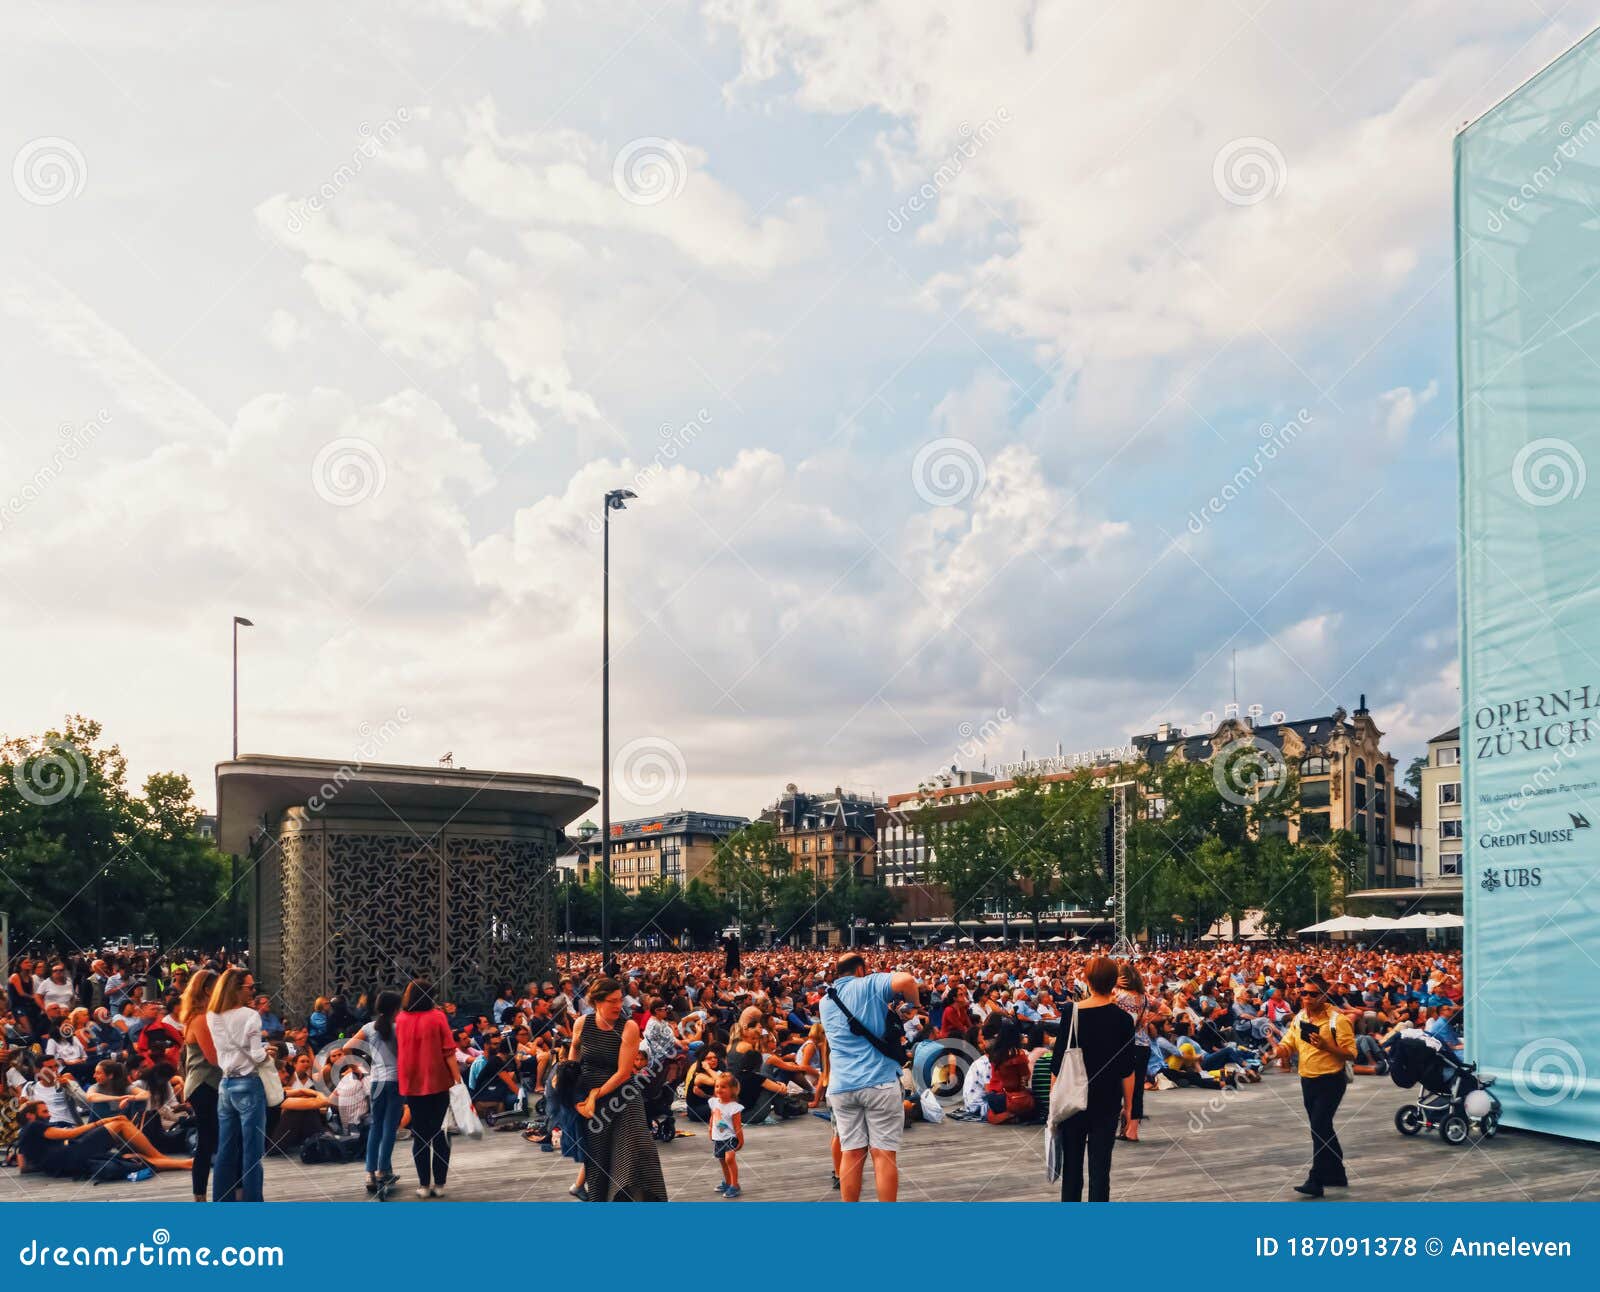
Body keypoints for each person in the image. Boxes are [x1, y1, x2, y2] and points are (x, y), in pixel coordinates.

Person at [818, 952, 919, 1203]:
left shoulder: (825, 1001)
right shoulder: (868, 983)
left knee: (851, 1153)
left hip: (842, 1086)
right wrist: (914, 1006)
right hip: (879, 1081)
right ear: (861, 969)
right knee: (883, 1155)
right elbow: (907, 980)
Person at [571, 976, 667, 1201]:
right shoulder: (581, 1023)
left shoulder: (629, 1026)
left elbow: (624, 1073)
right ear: (597, 1001)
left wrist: (596, 1094)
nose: (618, 1006)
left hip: (623, 1096)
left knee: (636, 1153)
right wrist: (573, 1086)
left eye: (620, 1000)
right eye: (612, 1001)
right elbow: (574, 1056)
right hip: (590, 1098)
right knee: (598, 1156)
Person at [1050, 955, 1136, 1203]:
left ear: (1086, 980)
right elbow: (1127, 1069)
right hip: (1107, 1100)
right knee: (1101, 1170)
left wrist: (1053, 1101)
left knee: (1072, 1170)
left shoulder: (1071, 1014)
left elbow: (1057, 1064)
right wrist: (1129, 1107)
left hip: (1073, 1099)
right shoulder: (1123, 1019)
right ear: (1115, 983)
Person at [1274, 975, 1356, 1198]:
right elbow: (1289, 1041)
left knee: (1319, 1127)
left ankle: (1316, 1180)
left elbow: (1351, 1053)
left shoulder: (1337, 1021)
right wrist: (1280, 1050)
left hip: (1331, 1080)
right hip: (1307, 1079)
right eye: (1304, 993)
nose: (1307, 998)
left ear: (1324, 995)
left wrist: (1329, 1046)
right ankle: (1338, 1174)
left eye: (1313, 994)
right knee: (1322, 1128)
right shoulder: (1299, 1017)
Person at [207, 967, 268, 1202]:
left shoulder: (213, 1015)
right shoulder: (250, 1015)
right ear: (236, 989)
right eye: (250, 987)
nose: (254, 991)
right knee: (252, 1151)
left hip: (226, 1084)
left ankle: (222, 1201)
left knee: (226, 1148)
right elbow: (257, 1055)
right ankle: (253, 1202)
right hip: (249, 1083)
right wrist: (271, 1054)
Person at [396, 978, 458, 1199]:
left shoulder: (401, 1019)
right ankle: (439, 1183)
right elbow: (449, 1051)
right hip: (438, 1081)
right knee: (440, 1132)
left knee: (420, 1135)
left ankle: (423, 1184)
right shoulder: (438, 1017)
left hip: (411, 1083)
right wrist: (458, 1079)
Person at [14, 1099, 191, 1175]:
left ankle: (185, 1164)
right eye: (44, 1112)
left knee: (130, 1158)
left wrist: (46, 1164)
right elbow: (70, 1133)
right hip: (72, 1154)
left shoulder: (23, 1136)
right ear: (30, 1116)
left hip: (68, 1163)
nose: (49, 1115)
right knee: (120, 1124)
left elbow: (23, 1167)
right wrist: (104, 1121)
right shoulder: (35, 1126)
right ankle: (160, 1156)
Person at [352, 988, 402, 1195]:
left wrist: (357, 1067)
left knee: (376, 1127)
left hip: (376, 1082)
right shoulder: (399, 1028)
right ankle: (383, 1171)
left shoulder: (368, 1027)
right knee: (390, 1128)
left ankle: (369, 1173)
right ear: (395, 1009)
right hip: (396, 1081)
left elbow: (347, 1046)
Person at [179, 967, 221, 1201]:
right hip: (204, 1085)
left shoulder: (199, 1017)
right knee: (207, 1141)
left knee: (208, 1140)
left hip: (204, 1085)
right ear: (207, 990)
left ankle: (201, 1195)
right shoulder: (202, 1019)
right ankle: (201, 1196)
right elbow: (213, 1058)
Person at [708, 1070, 744, 1198]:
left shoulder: (734, 1107)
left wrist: (740, 1139)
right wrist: (710, 1129)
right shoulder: (714, 1102)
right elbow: (713, 1117)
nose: (719, 1089)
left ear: (733, 1090)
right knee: (722, 1160)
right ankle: (727, 1181)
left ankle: (735, 1185)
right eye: (717, 1086)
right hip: (718, 1137)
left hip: (730, 1137)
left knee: (729, 1159)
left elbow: (737, 1125)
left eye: (723, 1087)